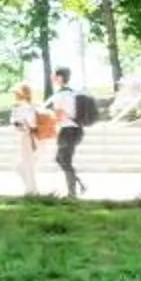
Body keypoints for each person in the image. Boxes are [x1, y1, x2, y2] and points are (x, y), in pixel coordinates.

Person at [49, 66, 88, 197]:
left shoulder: (59, 95)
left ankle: (72, 193)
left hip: (67, 130)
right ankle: (79, 185)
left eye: (54, 75)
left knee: (64, 160)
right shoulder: (74, 93)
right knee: (61, 159)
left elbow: (58, 115)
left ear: (60, 78)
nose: (52, 78)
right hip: (76, 129)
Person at [9, 81, 52, 197]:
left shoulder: (19, 108)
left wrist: (18, 125)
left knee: (25, 166)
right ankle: (31, 189)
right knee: (25, 166)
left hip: (28, 138)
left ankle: (32, 191)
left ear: (20, 94)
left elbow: (21, 125)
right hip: (40, 139)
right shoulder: (36, 106)